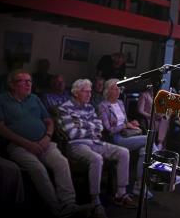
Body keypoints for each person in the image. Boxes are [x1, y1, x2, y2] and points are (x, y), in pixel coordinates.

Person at [0, 70, 92, 218]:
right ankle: (56, 209)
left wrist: (47, 137)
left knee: (62, 162)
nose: (28, 84)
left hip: (44, 143)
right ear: (11, 84)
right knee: (38, 169)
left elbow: (49, 121)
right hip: (18, 146)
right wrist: (27, 144)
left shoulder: (35, 99)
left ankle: (69, 204)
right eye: (23, 81)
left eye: (29, 81)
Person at [58, 79, 136, 213]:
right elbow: (72, 133)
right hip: (77, 145)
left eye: (90, 91)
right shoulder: (65, 108)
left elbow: (99, 127)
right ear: (76, 93)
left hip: (96, 142)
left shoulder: (89, 107)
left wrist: (84, 126)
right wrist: (91, 129)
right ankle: (95, 201)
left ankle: (121, 193)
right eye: (86, 91)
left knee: (124, 152)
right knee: (97, 159)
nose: (89, 94)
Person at [98, 79, 152, 199]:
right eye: (115, 88)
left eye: (119, 88)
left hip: (126, 135)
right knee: (149, 140)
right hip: (114, 139)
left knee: (145, 149)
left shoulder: (120, 103)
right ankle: (154, 176)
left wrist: (131, 123)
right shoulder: (103, 106)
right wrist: (125, 126)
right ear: (107, 91)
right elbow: (108, 130)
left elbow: (125, 122)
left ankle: (139, 184)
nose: (118, 91)